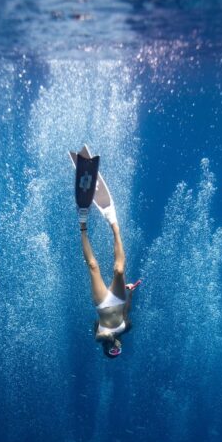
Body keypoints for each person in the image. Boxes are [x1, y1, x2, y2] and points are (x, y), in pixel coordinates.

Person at [73, 149, 140, 358]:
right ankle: (113, 222)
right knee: (119, 270)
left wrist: (110, 340)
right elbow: (127, 310)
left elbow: (103, 337)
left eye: (113, 351)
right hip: (119, 300)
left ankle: (82, 222)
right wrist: (130, 293)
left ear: (107, 349)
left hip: (102, 303)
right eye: (118, 350)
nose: (116, 348)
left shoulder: (100, 337)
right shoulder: (125, 329)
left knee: (93, 267)